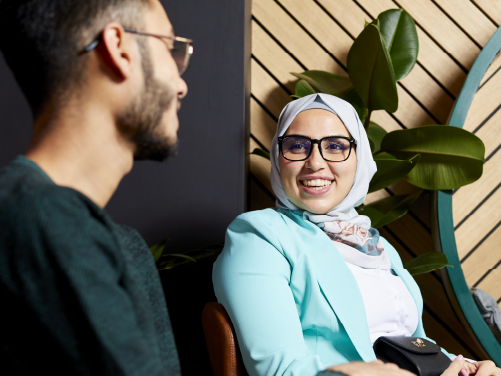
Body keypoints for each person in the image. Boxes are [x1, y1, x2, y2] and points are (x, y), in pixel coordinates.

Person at [213, 94, 501, 376]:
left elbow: (411, 345)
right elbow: (281, 370)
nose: (315, 162)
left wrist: (466, 367)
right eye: (297, 145)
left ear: (359, 158)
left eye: (336, 146)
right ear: (279, 157)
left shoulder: (375, 245)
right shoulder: (259, 237)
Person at [0, 0, 189, 373]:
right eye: (170, 47)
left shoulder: (122, 246)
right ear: (118, 49)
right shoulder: (43, 221)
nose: (182, 85)